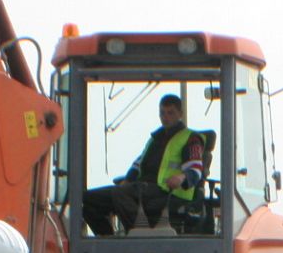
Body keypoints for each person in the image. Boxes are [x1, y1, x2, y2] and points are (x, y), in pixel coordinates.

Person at [82, 93, 204, 235]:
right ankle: (108, 240)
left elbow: (195, 169)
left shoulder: (190, 138)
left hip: (167, 191)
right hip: (143, 189)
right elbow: (138, 164)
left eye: (171, 113)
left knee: (120, 193)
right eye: (162, 113)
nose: (165, 117)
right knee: (88, 199)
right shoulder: (155, 139)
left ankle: (140, 235)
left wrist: (181, 178)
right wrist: (127, 180)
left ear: (180, 114)